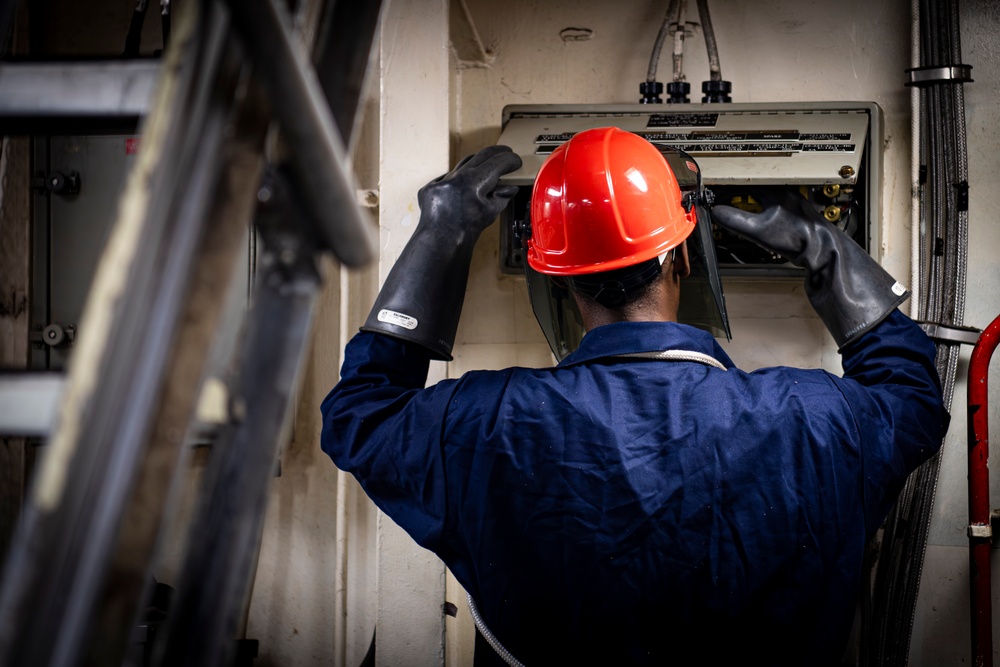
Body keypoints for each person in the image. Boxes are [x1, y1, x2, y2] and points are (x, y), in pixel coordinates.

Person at [320, 127, 949, 665]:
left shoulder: (483, 423)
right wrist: (823, 244)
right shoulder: (815, 420)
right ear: (681, 256)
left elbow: (360, 413)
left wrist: (441, 233)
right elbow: (914, 395)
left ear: (557, 277)